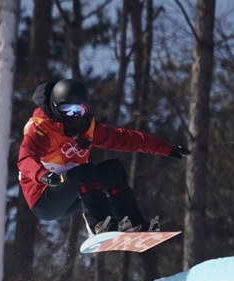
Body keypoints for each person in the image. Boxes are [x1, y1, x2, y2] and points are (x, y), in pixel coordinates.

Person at [18, 79, 191, 236]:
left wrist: (164, 148)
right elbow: (25, 159)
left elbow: (123, 139)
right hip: (45, 199)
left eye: (80, 109)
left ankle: (132, 223)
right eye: (67, 110)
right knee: (86, 171)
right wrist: (42, 174)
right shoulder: (41, 129)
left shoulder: (87, 128)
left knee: (113, 169)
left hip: (74, 191)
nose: (75, 116)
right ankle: (99, 226)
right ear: (56, 107)